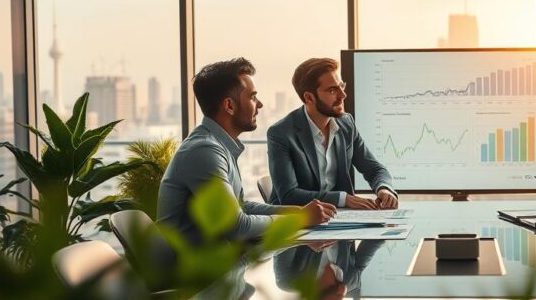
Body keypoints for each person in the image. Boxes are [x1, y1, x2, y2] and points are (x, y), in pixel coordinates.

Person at [158, 58, 336, 247]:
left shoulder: (218, 145)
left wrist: (299, 212)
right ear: (229, 106)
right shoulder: (204, 151)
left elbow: (241, 208)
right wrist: (299, 219)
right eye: (252, 97)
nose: (259, 105)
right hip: (193, 273)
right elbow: (236, 226)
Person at [267, 57, 398, 210]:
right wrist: (343, 199)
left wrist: (383, 188)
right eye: (332, 90)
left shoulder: (346, 123)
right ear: (309, 97)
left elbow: (374, 169)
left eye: (341, 86)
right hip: (299, 220)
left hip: (339, 217)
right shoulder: (281, 133)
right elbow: (289, 195)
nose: (343, 95)